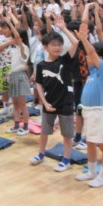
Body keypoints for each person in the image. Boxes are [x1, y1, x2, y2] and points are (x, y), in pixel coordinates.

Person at [31, 15, 79, 172]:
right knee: (44, 132)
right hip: (49, 102)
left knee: (67, 134)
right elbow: (38, 83)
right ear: (45, 47)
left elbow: (75, 42)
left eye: (59, 44)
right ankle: (41, 154)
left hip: (65, 102)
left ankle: (66, 160)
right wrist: (44, 102)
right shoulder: (41, 65)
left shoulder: (64, 60)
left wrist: (63, 27)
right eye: (53, 44)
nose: (57, 47)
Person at [73, 24, 103, 188]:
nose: (86, 57)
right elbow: (89, 53)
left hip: (98, 113)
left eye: (91, 55)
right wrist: (83, 39)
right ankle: (91, 171)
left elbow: (91, 52)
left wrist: (84, 39)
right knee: (90, 142)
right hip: (88, 112)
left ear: (100, 57)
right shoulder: (93, 71)